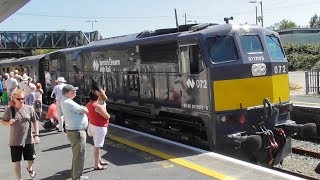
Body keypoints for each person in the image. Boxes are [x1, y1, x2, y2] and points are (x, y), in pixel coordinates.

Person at [0, 89, 40, 180]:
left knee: (31, 159)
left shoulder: (29, 108)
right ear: (14, 99)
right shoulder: (10, 110)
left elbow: (35, 122)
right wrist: (8, 123)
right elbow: (2, 121)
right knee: (16, 161)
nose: (21, 100)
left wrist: (37, 135)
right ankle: (19, 178)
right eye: (18, 99)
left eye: (23, 98)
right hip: (15, 141)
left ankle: (29, 168)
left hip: (29, 139)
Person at [61, 84, 89, 180]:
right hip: (77, 132)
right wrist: (83, 109)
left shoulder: (66, 101)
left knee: (77, 154)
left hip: (75, 131)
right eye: (74, 91)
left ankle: (75, 174)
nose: (76, 92)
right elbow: (85, 110)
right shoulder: (68, 102)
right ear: (69, 93)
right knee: (79, 155)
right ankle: (77, 177)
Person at [86, 90, 110, 170]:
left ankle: (99, 160)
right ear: (98, 97)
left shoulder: (88, 104)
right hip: (99, 128)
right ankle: (97, 165)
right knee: (97, 147)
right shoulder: (98, 106)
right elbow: (107, 116)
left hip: (92, 125)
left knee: (96, 145)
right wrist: (104, 107)